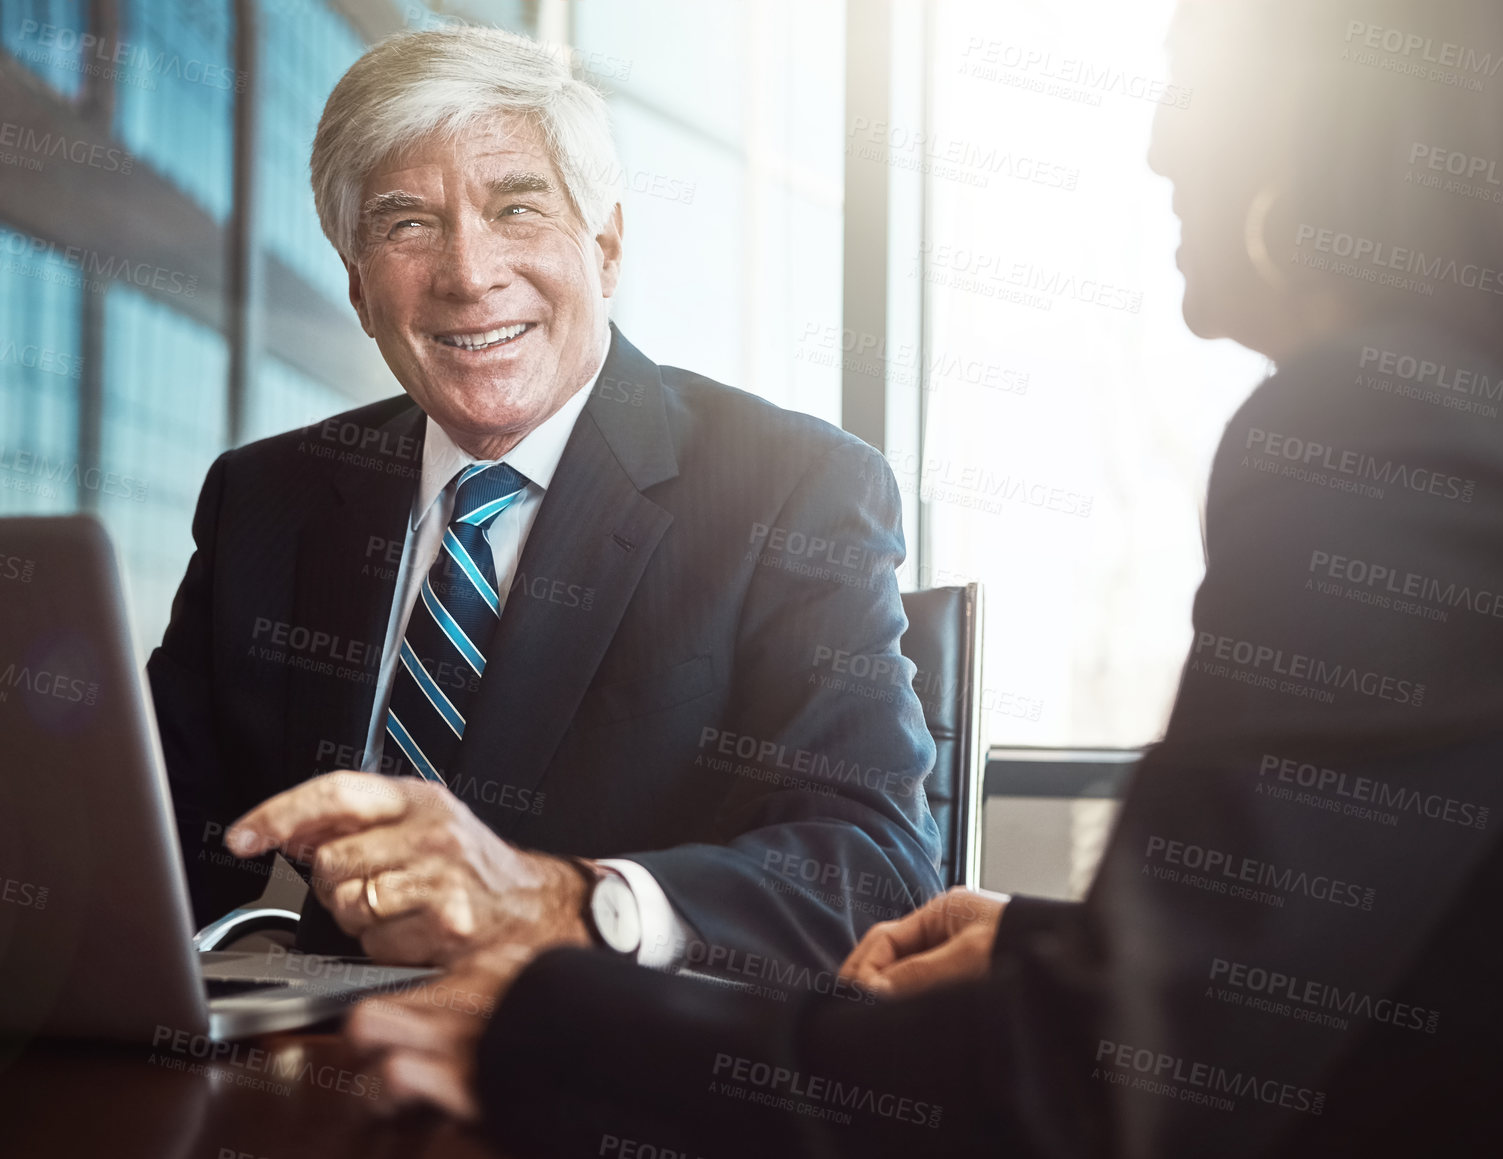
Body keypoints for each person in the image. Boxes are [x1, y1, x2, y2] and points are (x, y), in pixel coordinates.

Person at [344, 1, 1503, 1156]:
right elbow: (1500, 956)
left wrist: (549, 1022)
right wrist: (1075, 949)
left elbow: (1104, 1093)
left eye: (1198, 80)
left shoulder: (1399, 439)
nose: (1165, 139)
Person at [151, 25, 944, 976]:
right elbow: (150, 843)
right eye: (407, 224)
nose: (468, 274)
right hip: (317, 1077)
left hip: (613, 1079)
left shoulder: (795, 489)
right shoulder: (264, 499)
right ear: (359, 287)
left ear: (604, 246)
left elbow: (878, 873)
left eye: (516, 209)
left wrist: (563, 904)